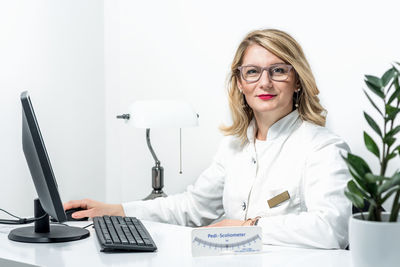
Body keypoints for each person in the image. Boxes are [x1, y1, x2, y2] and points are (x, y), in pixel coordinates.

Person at [64, 29, 352, 249]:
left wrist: (246, 227)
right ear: (240, 83)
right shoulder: (234, 146)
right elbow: (192, 207)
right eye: (252, 72)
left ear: (297, 80)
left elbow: (332, 229)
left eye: (278, 70)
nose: (264, 82)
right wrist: (117, 211)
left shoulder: (322, 147)